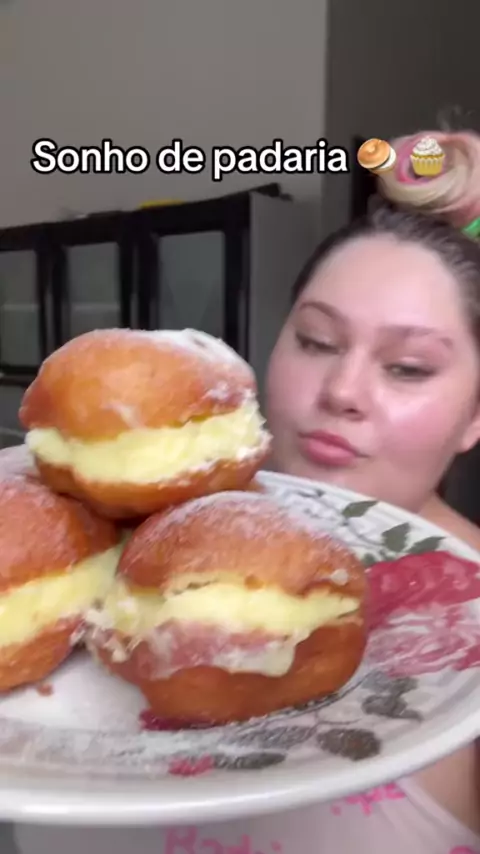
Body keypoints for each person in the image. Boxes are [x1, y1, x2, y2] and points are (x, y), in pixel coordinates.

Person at [11, 201, 480, 854]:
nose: (342, 390)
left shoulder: (467, 642)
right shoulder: (108, 541)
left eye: (409, 367)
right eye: (316, 341)